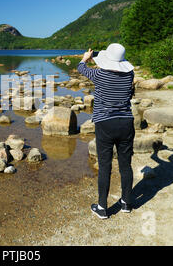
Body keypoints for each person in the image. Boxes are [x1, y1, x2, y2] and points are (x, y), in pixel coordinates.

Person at [77, 43, 135, 219]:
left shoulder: (99, 74)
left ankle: (102, 207)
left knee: (105, 166)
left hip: (105, 124)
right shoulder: (130, 73)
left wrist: (86, 57)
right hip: (126, 122)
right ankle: (126, 202)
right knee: (125, 165)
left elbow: (81, 68)